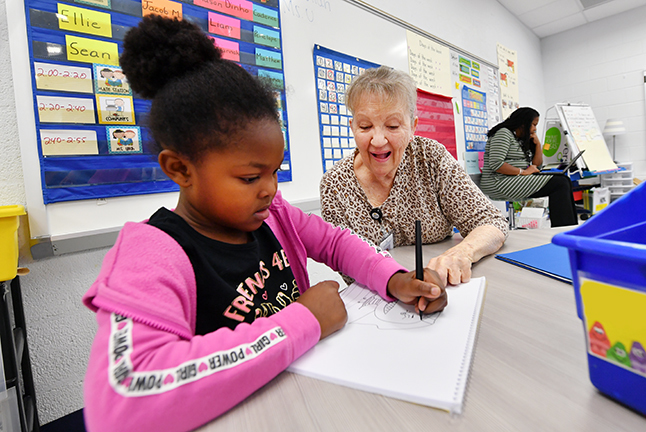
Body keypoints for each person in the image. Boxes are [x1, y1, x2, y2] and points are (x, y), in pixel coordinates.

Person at [82, 16, 447, 432]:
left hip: (308, 400)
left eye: (275, 171)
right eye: (250, 177)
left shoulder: (273, 216)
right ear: (180, 168)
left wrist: (394, 278)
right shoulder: (150, 254)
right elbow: (122, 402)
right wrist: (302, 321)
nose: (270, 190)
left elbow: (337, 244)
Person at [319, 66, 508, 286]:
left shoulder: (430, 157)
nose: (378, 140)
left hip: (443, 286)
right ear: (352, 127)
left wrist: (463, 253)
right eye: (365, 126)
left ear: (413, 127)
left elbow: (491, 222)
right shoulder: (334, 184)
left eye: (392, 125)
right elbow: (345, 264)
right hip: (378, 298)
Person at [480, 107, 578, 227]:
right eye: (533, 124)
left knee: (564, 180)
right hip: (497, 181)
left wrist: (537, 145)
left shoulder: (521, 139)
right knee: (559, 183)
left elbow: (537, 165)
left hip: (514, 179)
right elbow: (496, 164)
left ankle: (571, 228)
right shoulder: (503, 133)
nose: (535, 129)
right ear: (522, 123)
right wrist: (523, 172)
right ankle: (563, 230)